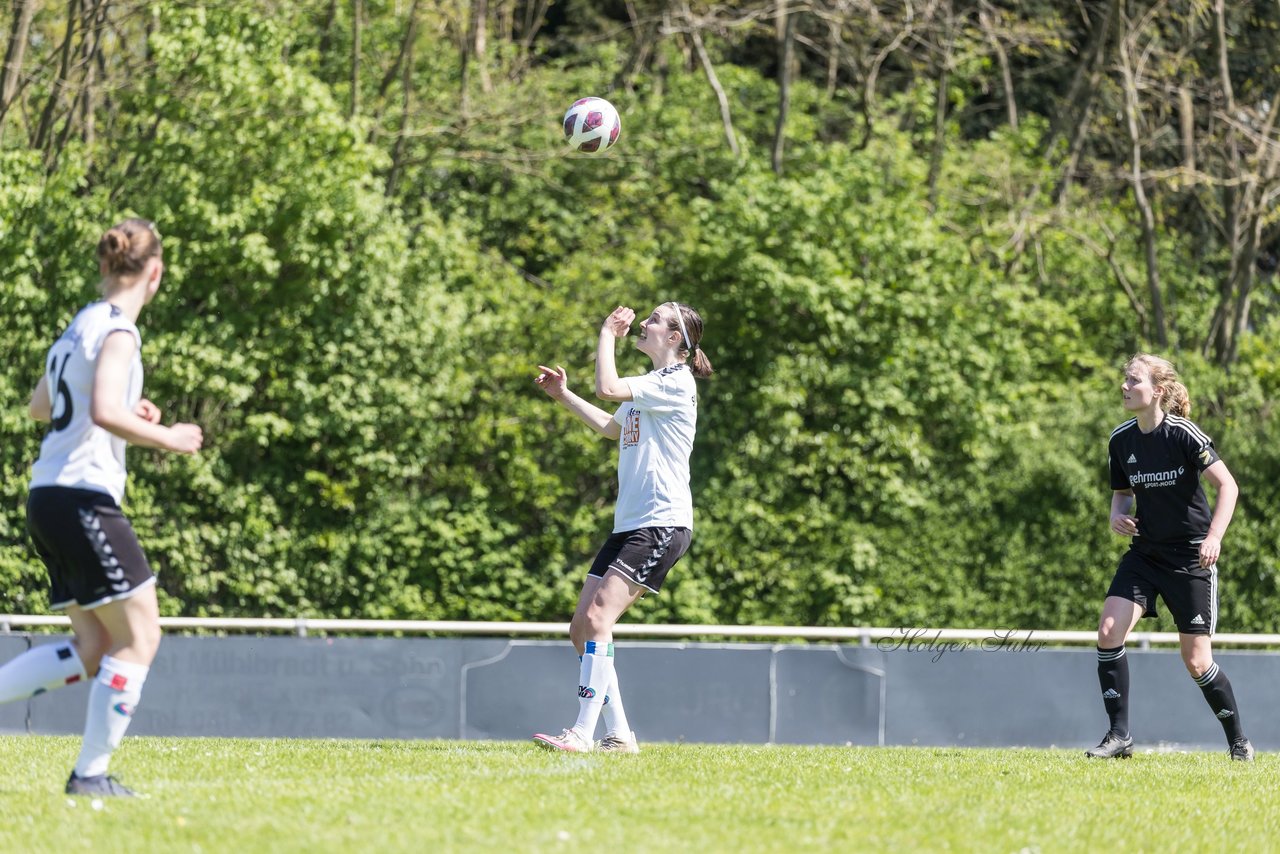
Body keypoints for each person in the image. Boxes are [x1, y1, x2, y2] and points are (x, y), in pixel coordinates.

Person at [0, 219, 203, 796]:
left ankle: (90, 774)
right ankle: (90, 776)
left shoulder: (80, 324)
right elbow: (101, 413)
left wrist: (119, 404)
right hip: (83, 497)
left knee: (93, 647)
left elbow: (42, 407)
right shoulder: (120, 331)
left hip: (48, 496)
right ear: (155, 272)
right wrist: (171, 437)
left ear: (104, 266)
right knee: (141, 637)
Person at [531, 302, 712, 753]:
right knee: (581, 629)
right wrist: (562, 396)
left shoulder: (674, 382)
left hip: (661, 523)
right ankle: (620, 736)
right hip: (631, 524)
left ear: (674, 338)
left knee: (597, 619)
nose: (645, 324)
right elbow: (612, 428)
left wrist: (607, 333)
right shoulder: (652, 388)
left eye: (654, 319)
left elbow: (608, 386)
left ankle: (582, 733)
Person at [1088, 353, 1252, 761]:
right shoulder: (1120, 439)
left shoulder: (1183, 434)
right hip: (1145, 554)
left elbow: (1228, 487)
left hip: (1190, 559)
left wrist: (1214, 537)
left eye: (1133, 380)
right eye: (1124, 379)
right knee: (1109, 631)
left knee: (1196, 662)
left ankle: (1238, 742)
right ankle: (1119, 737)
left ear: (1157, 390)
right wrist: (1117, 517)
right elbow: (1122, 495)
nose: (1125, 387)